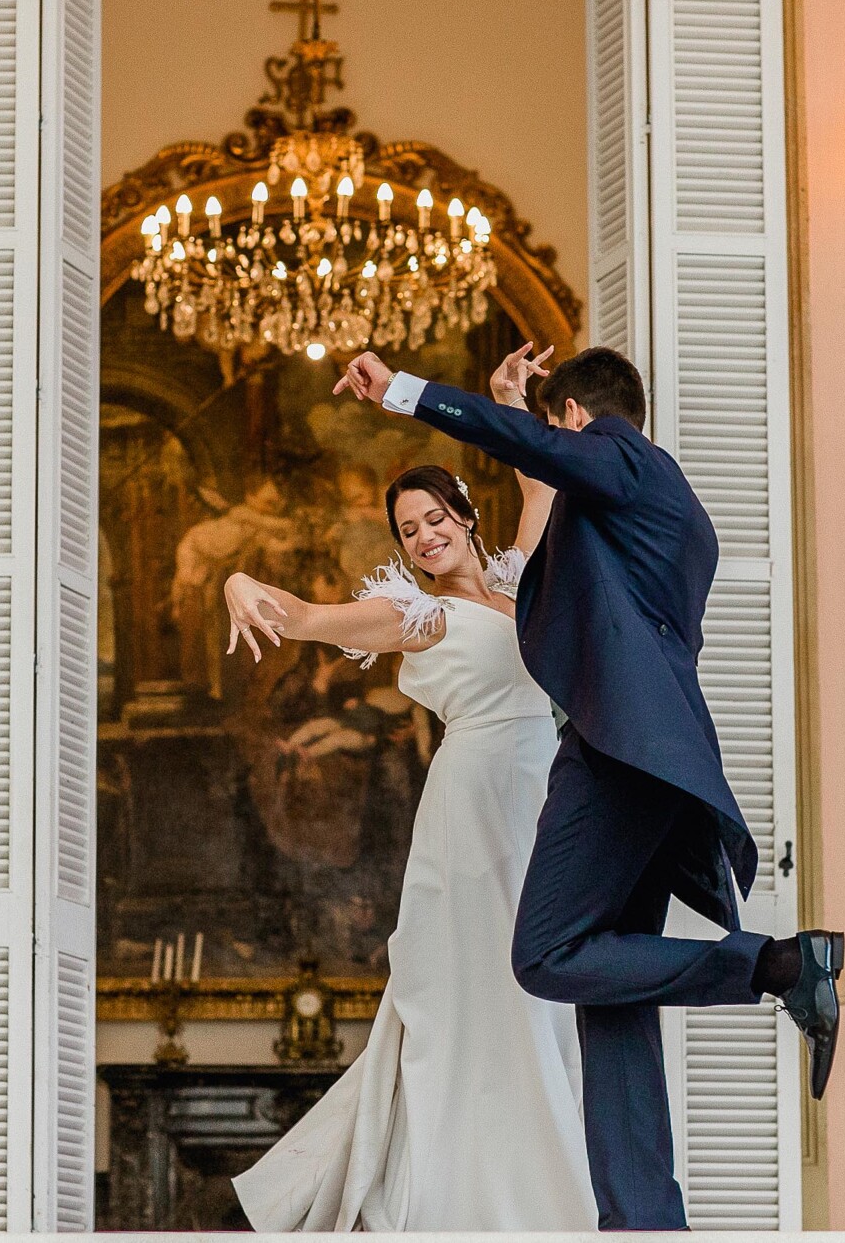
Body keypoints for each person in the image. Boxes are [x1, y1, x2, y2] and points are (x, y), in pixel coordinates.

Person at [324, 342, 845, 1231]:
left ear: (574, 418)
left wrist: (402, 392)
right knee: (613, 991)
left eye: (555, 429)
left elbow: (541, 459)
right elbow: (544, 490)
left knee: (545, 954)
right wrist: (515, 409)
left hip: (614, 754)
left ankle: (779, 963)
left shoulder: (619, 457)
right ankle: (644, 1220)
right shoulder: (663, 506)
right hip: (656, 757)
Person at [223, 446, 597, 1231]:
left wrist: (513, 405)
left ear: (465, 516)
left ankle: (542, 1188)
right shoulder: (417, 614)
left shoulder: (514, 584)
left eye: (435, 518)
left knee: (545, 990)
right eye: (408, 530)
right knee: (482, 988)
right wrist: (239, 583)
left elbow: (539, 489)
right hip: (473, 806)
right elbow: (307, 618)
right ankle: (466, 1199)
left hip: (542, 798)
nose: (425, 536)